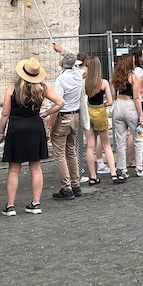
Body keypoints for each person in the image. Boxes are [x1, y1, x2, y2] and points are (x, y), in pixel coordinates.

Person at [0, 58, 64, 216]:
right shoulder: (42, 88)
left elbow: (5, 114)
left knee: (14, 169)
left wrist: (2, 132)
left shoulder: (12, 88)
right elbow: (60, 102)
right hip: (35, 127)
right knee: (35, 167)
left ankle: (10, 206)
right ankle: (36, 203)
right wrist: (46, 113)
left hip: (16, 128)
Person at [49, 47, 86, 197]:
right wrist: (62, 50)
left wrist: (49, 124)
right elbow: (71, 59)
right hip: (75, 116)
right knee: (71, 150)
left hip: (63, 117)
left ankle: (66, 187)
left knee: (59, 154)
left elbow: (58, 104)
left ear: (62, 64)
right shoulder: (78, 74)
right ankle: (75, 184)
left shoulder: (61, 80)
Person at [81, 56, 120, 183]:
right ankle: (113, 173)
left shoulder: (83, 82)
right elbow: (109, 101)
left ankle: (93, 177)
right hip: (99, 111)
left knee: (90, 146)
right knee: (106, 144)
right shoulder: (103, 82)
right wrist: (103, 105)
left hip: (88, 112)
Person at [109, 54, 143, 178]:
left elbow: (113, 94)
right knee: (137, 138)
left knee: (120, 139)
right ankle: (139, 167)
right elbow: (136, 97)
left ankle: (122, 168)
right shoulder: (133, 77)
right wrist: (140, 115)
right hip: (130, 105)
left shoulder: (115, 77)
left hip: (119, 105)